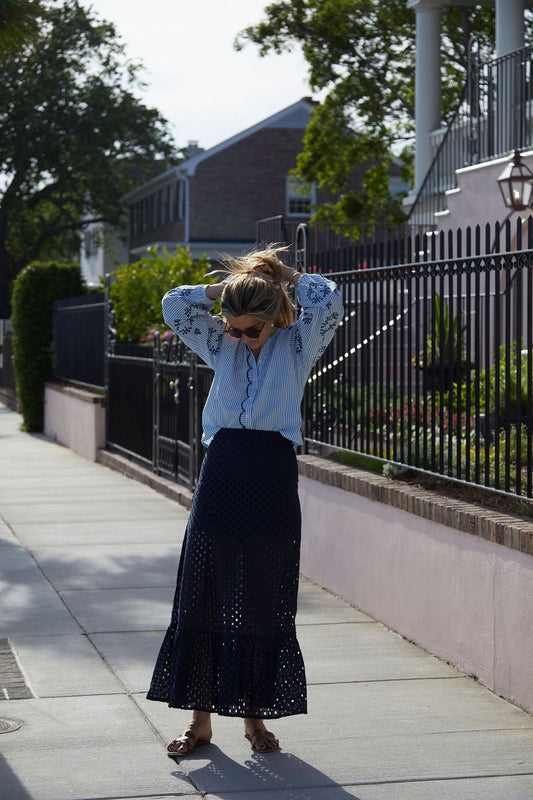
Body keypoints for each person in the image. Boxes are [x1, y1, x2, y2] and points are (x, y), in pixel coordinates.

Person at [147, 244, 343, 756]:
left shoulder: (299, 344)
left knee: (259, 598)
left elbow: (330, 300)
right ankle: (200, 723)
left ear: (274, 320)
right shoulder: (221, 343)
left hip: (272, 472)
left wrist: (283, 279)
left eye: (247, 327)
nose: (235, 335)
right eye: (230, 325)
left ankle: (253, 720)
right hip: (223, 468)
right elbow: (173, 304)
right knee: (204, 589)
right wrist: (226, 293)